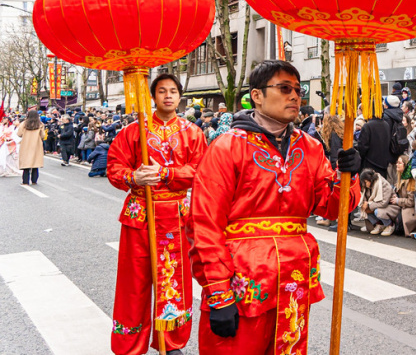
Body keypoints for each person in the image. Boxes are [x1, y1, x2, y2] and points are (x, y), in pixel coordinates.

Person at [188, 61, 361, 354]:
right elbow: (205, 224)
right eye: (284, 88)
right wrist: (218, 292)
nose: (295, 96)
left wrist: (348, 176)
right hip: (242, 281)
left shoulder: (310, 147)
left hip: (294, 279)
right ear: (257, 95)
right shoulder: (226, 146)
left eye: (298, 90)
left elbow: (332, 210)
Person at [107, 74, 208, 355]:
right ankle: (130, 344)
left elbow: (201, 171)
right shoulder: (132, 131)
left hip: (176, 215)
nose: (168, 96)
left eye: (173, 91)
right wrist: (134, 176)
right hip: (140, 213)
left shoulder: (193, 133)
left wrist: (167, 173)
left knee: (174, 279)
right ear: (152, 96)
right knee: (134, 282)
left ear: (180, 97)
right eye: (162, 91)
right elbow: (114, 168)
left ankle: (171, 342)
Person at [360, 168, 401, 236]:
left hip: (390, 206)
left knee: (377, 211)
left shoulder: (384, 184)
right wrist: (363, 203)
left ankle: (390, 225)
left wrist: (369, 204)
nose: (364, 184)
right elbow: (364, 198)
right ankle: (380, 224)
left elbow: (384, 203)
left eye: (365, 182)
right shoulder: (367, 186)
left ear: (370, 180)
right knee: (364, 208)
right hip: (377, 205)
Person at [391, 154, 416, 236]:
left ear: (405, 165)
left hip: (409, 209)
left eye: (399, 163)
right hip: (402, 206)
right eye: (397, 162)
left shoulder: (410, 180)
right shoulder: (400, 178)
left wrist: (398, 200)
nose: (397, 164)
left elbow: (411, 201)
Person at [17, 110, 45, 185]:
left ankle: (25, 181)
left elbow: (19, 134)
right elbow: (43, 136)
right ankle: (34, 181)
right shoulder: (40, 124)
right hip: (36, 145)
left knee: (26, 164)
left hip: (26, 145)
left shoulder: (24, 124)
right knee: (35, 164)